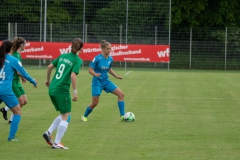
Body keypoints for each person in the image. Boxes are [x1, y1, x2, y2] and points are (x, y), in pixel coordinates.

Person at [43, 38, 83, 149]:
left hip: (52, 89)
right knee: (66, 116)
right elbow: (73, 75)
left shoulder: (63, 56)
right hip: (62, 90)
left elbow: (49, 66)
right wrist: (75, 92)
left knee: (63, 114)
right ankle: (57, 143)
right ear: (81, 49)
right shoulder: (77, 60)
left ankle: (48, 133)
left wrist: (48, 80)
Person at [0, 40, 37, 141]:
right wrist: (33, 81)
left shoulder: (1, 58)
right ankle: (11, 137)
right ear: (11, 48)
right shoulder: (12, 60)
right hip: (5, 90)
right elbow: (24, 73)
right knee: (17, 113)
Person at [81, 40, 125, 122]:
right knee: (95, 103)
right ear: (103, 49)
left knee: (121, 95)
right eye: (108, 49)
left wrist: (116, 76)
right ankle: (84, 116)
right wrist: (95, 74)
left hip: (106, 81)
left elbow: (109, 69)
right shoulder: (97, 58)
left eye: (110, 49)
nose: (109, 50)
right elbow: (90, 70)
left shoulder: (110, 59)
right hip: (97, 82)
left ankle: (123, 116)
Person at [0, 37, 29, 124]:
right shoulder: (15, 56)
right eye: (25, 44)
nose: (26, 46)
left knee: (24, 101)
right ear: (22, 45)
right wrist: (24, 76)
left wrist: (21, 77)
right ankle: (11, 120)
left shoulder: (18, 55)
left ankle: (5, 109)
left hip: (17, 82)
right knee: (20, 101)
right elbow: (16, 71)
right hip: (13, 82)